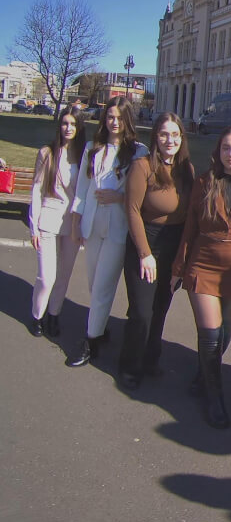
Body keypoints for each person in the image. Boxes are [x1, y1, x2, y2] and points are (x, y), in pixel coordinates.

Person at [171, 126, 231, 428]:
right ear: (218, 152)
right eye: (226, 148)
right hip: (204, 264)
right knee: (210, 334)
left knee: (225, 329)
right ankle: (215, 398)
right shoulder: (204, 182)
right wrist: (179, 268)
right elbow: (190, 228)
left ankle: (204, 373)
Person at [67, 97, 149, 367]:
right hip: (92, 225)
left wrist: (119, 197)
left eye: (119, 118)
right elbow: (81, 190)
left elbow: (143, 194)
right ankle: (100, 328)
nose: (114, 123)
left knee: (103, 286)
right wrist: (76, 223)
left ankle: (90, 341)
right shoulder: (93, 148)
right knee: (94, 284)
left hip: (117, 228)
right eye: (110, 117)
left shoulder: (138, 152)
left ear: (128, 120)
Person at [116, 112, 195, 389]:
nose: (169, 140)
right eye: (163, 134)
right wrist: (144, 253)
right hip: (145, 242)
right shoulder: (143, 166)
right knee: (141, 310)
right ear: (155, 137)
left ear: (181, 138)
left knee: (161, 307)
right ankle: (130, 364)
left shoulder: (187, 170)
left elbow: (189, 218)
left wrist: (182, 260)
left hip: (172, 244)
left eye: (175, 134)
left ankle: (151, 358)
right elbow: (132, 210)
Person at [28, 108, 85, 338]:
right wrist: (33, 227)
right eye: (64, 123)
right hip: (48, 221)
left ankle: (54, 314)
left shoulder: (83, 155)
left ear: (78, 127)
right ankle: (37, 315)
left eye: (72, 124)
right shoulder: (47, 153)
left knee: (63, 275)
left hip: (72, 224)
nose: (68, 128)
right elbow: (36, 190)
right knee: (47, 276)